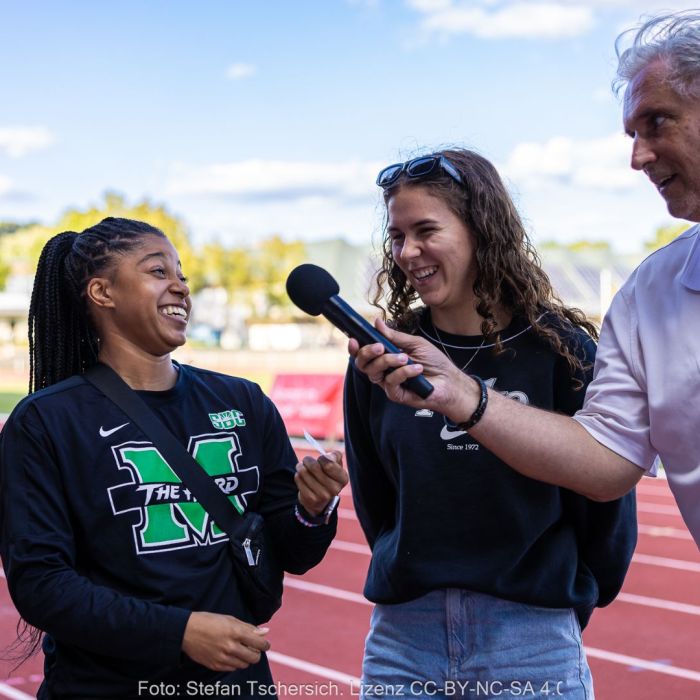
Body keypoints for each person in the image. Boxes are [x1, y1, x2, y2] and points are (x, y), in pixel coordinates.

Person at [349, 11, 700, 549]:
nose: (637, 157)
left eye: (657, 122)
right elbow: (608, 459)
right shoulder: (649, 296)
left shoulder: (564, 345)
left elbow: (603, 533)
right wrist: (464, 395)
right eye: (632, 132)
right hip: (406, 624)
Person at [0, 217, 348, 699]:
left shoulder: (243, 402)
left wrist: (313, 510)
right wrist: (179, 632)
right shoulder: (45, 422)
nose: (181, 286)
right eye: (158, 271)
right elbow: (42, 585)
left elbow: (293, 552)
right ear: (103, 292)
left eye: (181, 273)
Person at [343, 148, 636, 698]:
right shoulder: (385, 358)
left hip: (532, 634)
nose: (408, 252)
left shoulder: (562, 353)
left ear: (482, 228)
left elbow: (605, 503)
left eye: (426, 230)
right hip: (404, 638)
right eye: (398, 236)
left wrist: (564, 599)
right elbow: (376, 500)